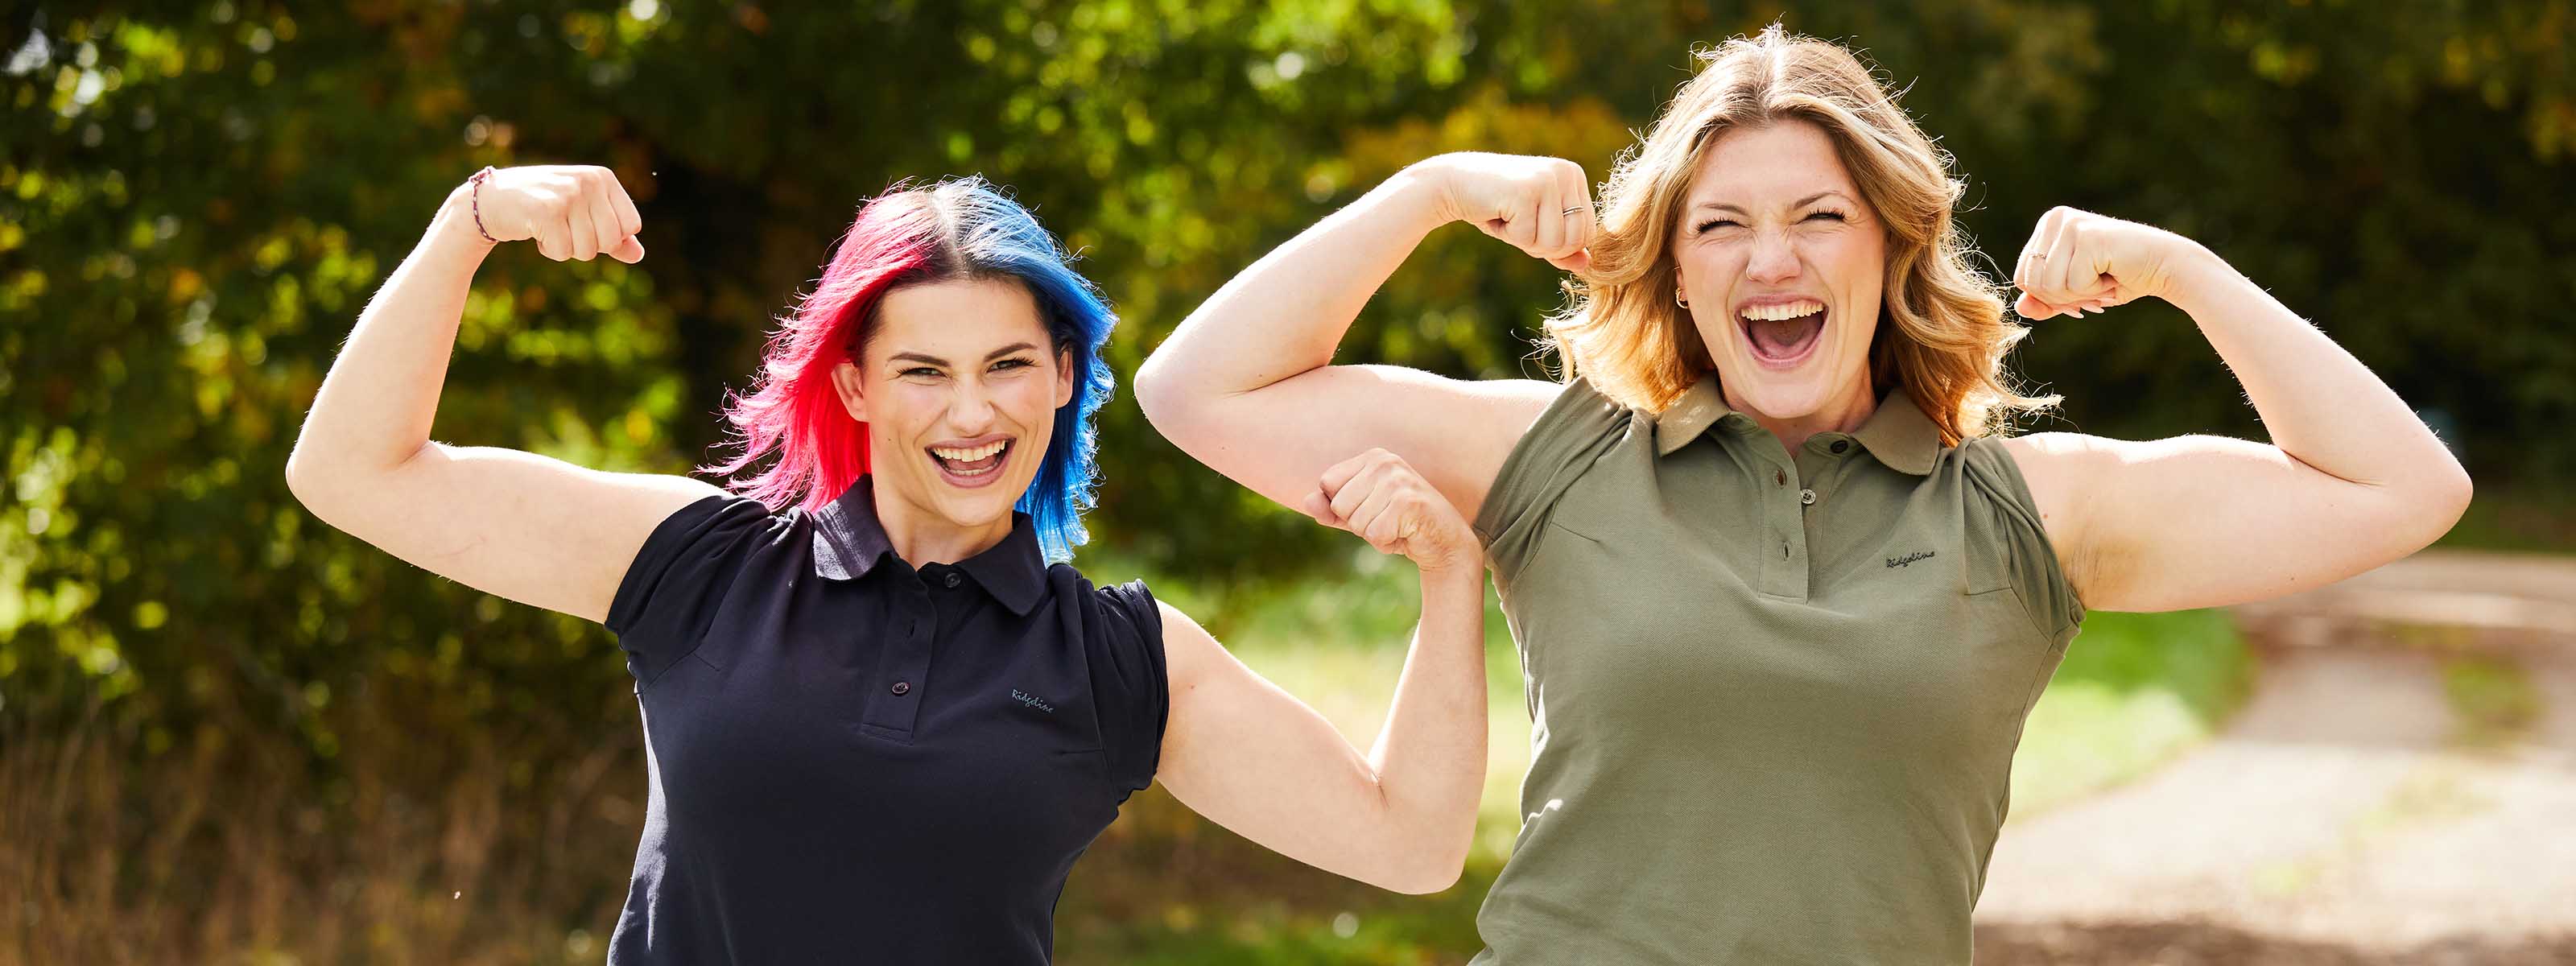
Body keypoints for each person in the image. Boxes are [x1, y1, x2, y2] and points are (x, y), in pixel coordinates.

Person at [1135, 26, 2473, 964]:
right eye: (1719, 225)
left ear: (1892, 244)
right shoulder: (1551, 458)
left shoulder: (2028, 511)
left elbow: (2403, 490)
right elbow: (1194, 393)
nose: (1769, 258)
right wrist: (1424, 194)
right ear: (1672, 271)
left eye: (1818, 217)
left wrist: (2188, 272)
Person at [286, 167, 1491, 963]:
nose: (974, 414)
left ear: (1065, 376)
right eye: (924, 371)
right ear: (855, 385)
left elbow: (1410, 842)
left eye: (1009, 364)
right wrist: (475, 218)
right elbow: (352, 473)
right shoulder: (700, 564)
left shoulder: (1121, 659)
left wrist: (1449, 572)